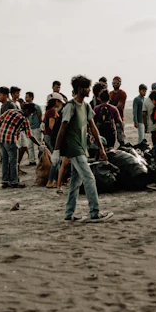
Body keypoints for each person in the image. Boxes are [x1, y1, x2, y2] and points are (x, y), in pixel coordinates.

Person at [51, 75, 113, 222]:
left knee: (75, 181)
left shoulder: (86, 106)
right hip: (74, 149)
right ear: (79, 89)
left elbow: (93, 127)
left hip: (82, 147)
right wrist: (56, 150)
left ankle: (69, 214)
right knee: (89, 178)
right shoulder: (70, 107)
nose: (89, 90)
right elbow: (62, 129)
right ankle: (95, 213)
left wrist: (101, 148)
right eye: (87, 88)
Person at [0, 103, 44, 188]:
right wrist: (39, 144)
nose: (30, 115)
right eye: (30, 113)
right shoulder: (24, 119)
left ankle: (4, 181)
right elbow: (30, 135)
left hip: (1, 139)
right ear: (27, 110)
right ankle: (14, 182)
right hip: (11, 141)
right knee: (13, 162)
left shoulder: (10, 111)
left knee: (5, 161)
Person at [25, 92, 42, 166]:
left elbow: (40, 117)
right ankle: (32, 161)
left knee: (39, 145)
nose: (26, 98)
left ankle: (41, 159)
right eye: (25, 97)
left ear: (32, 97)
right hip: (29, 128)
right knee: (29, 145)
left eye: (27, 97)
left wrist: (41, 127)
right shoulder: (26, 108)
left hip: (36, 128)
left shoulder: (37, 107)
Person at [109, 76, 127, 145]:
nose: (115, 84)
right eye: (114, 82)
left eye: (117, 82)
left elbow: (119, 106)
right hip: (111, 120)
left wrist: (110, 108)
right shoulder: (110, 93)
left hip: (119, 118)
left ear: (120, 84)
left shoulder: (122, 93)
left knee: (120, 138)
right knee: (111, 138)